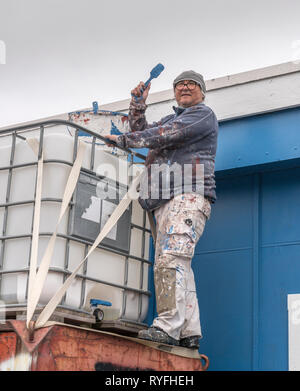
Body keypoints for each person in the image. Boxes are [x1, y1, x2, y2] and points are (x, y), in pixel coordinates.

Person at [104, 70, 218, 349]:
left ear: (202, 91)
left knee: (170, 260)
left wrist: (122, 141)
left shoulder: (202, 115)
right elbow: (142, 130)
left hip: (186, 196)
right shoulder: (173, 118)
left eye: (192, 83)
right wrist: (138, 105)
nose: (185, 87)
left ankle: (168, 327)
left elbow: (160, 135)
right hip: (167, 200)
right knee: (180, 264)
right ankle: (190, 331)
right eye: (180, 84)